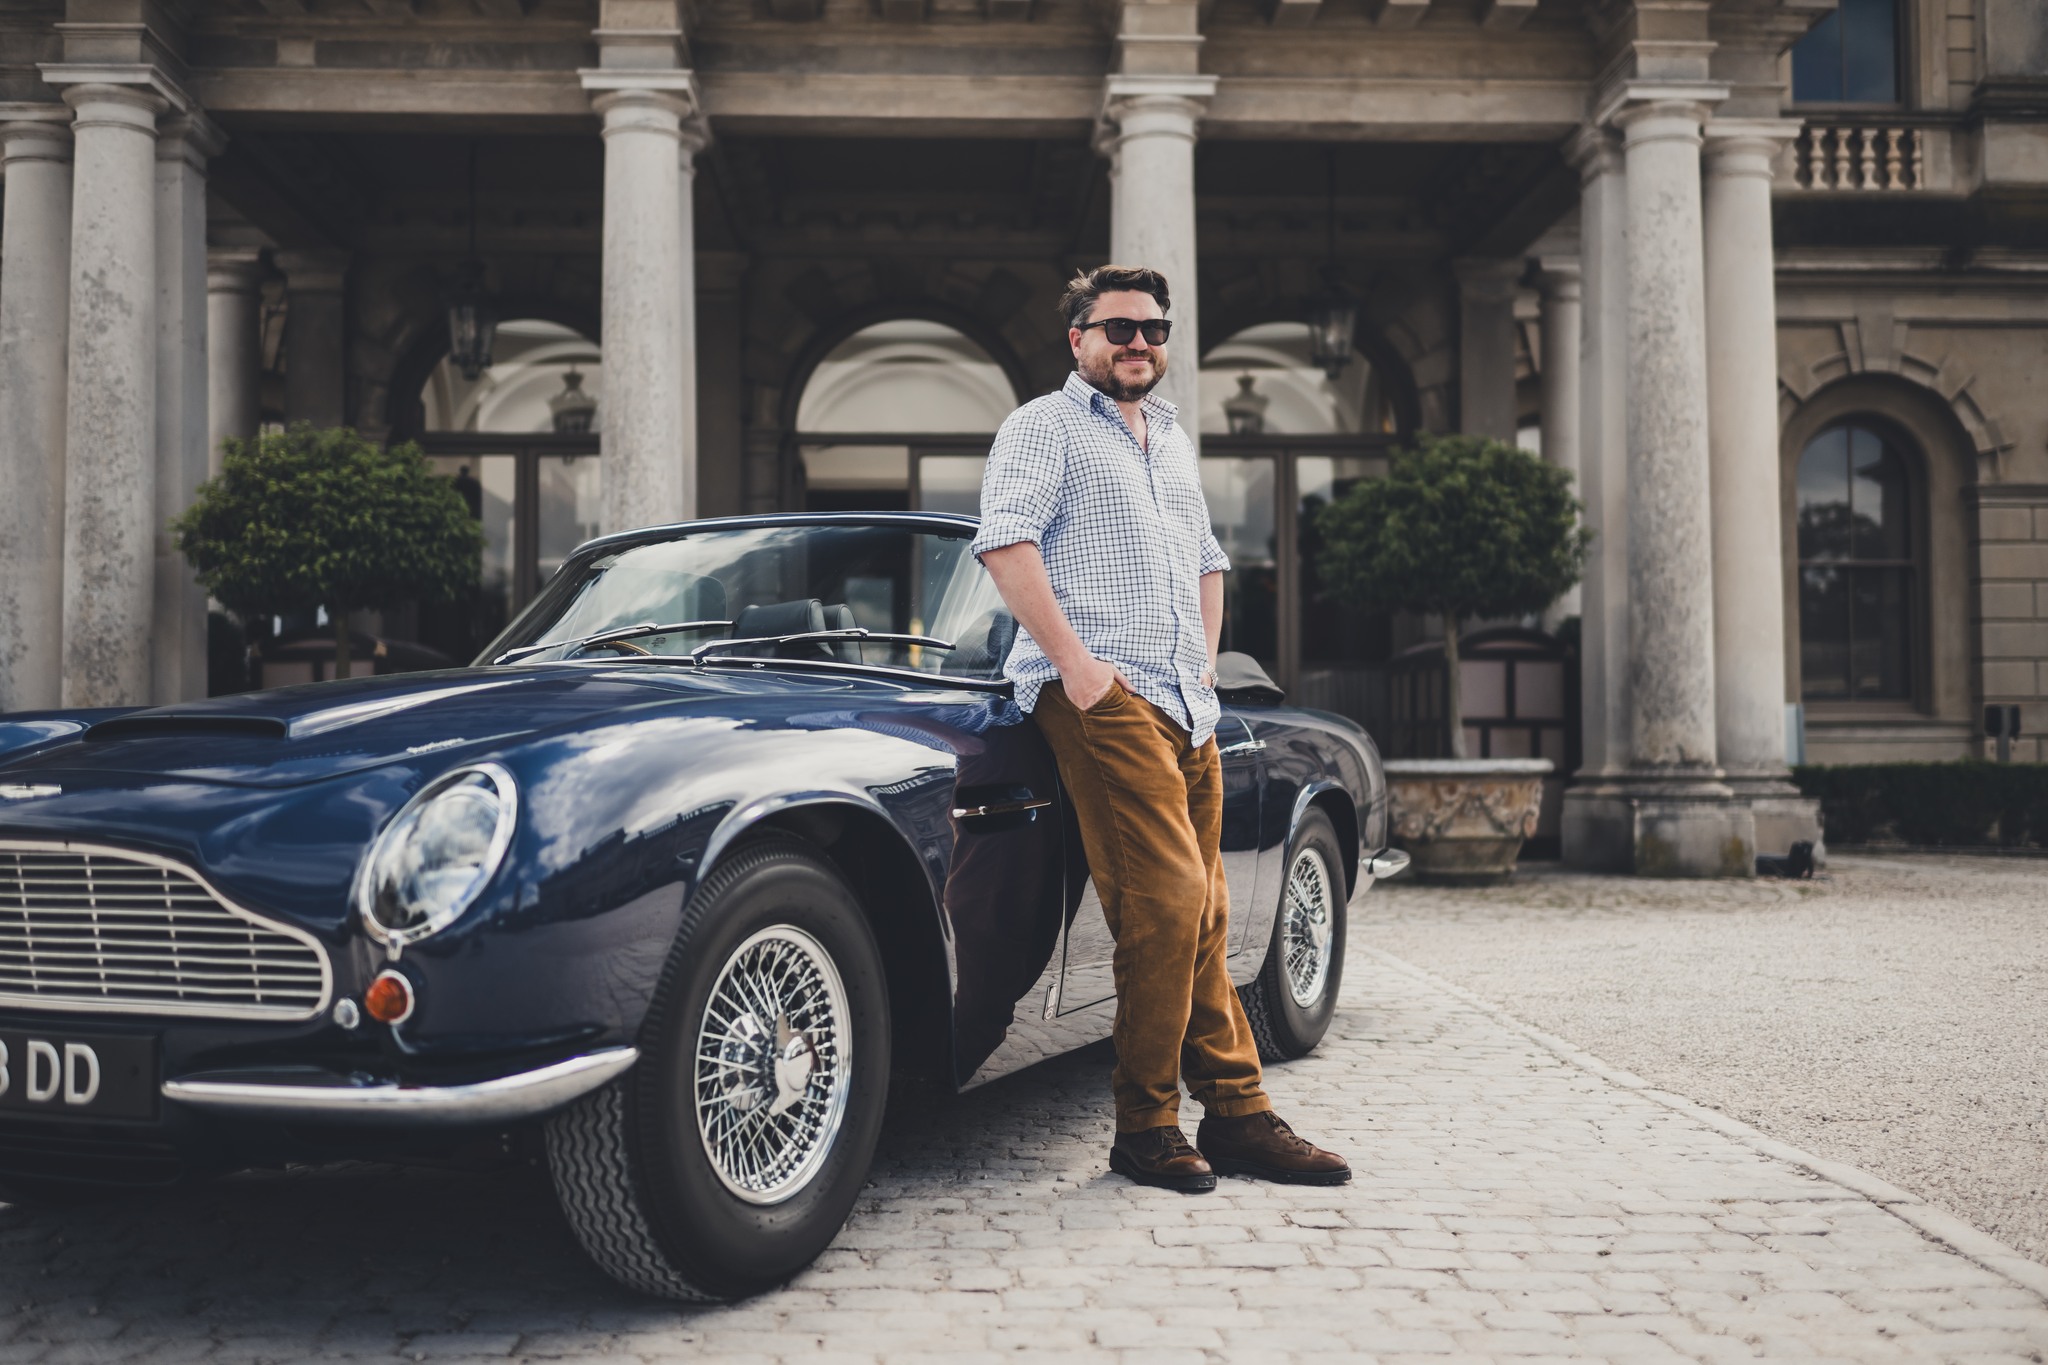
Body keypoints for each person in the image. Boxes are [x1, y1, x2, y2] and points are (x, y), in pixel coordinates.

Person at [970, 264, 1350, 1193]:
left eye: (1152, 329)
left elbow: (1207, 560)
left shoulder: (1172, 438)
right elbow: (1006, 543)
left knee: (1210, 910)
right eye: (1118, 329)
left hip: (1187, 700)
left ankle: (1239, 1115)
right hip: (1104, 696)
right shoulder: (1042, 426)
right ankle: (1145, 1126)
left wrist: (1207, 669)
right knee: (1170, 901)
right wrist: (1079, 667)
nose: (1138, 343)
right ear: (1079, 339)